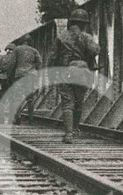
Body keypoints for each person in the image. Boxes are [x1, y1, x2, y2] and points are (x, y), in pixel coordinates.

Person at [54, 9, 99, 143]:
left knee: (67, 103)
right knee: (78, 103)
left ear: (71, 22)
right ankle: (75, 129)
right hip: (82, 71)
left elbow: (53, 56)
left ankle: (68, 134)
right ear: (84, 24)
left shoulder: (61, 37)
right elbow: (94, 51)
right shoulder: (87, 37)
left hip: (65, 71)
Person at [6, 35, 43, 123]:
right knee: (30, 98)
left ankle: (18, 117)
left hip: (19, 75)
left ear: (21, 41)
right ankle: (31, 118)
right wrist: (33, 69)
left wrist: (10, 76)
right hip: (31, 75)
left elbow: (11, 64)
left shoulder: (17, 49)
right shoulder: (34, 50)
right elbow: (39, 63)